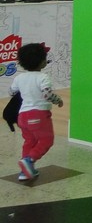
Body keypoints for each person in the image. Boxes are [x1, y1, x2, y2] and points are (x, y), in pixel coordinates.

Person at [9, 43, 63, 181]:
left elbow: (11, 91)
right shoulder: (42, 77)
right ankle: (29, 160)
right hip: (38, 115)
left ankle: (25, 171)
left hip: (23, 116)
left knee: (29, 141)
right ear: (42, 62)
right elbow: (47, 95)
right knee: (46, 140)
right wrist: (58, 100)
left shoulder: (19, 78)